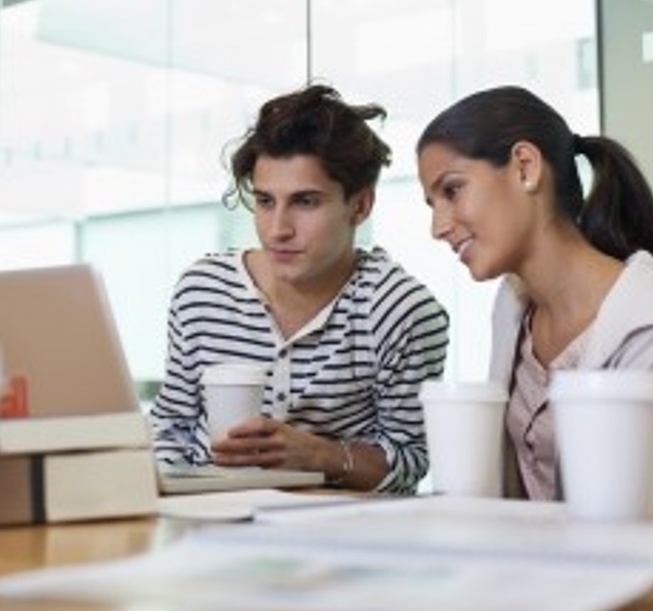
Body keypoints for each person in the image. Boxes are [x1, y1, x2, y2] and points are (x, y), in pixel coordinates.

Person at [415, 85, 653, 498]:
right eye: (432, 204)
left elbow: (648, 517)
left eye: (452, 190)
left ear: (525, 167)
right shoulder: (514, 303)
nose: (438, 227)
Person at [151, 84, 449, 493]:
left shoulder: (399, 310)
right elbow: (170, 428)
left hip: (334, 524)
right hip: (202, 514)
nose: (278, 230)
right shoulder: (202, 291)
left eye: (305, 202)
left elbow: (410, 461)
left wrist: (321, 455)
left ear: (360, 206)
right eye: (265, 201)